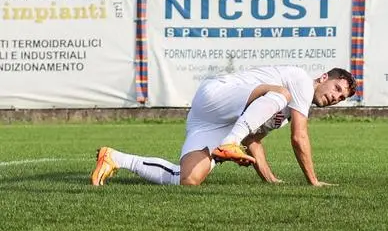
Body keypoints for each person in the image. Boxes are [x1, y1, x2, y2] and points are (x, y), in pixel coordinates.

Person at [90, 65, 357, 187]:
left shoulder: (281, 113)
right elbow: (299, 137)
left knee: (187, 179)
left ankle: (114, 158)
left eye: (341, 98)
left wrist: (269, 178)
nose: (336, 97)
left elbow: (253, 139)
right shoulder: (299, 81)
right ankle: (229, 144)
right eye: (336, 88)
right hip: (217, 94)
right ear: (323, 77)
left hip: (212, 119)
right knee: (281, 94)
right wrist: (313, 181)